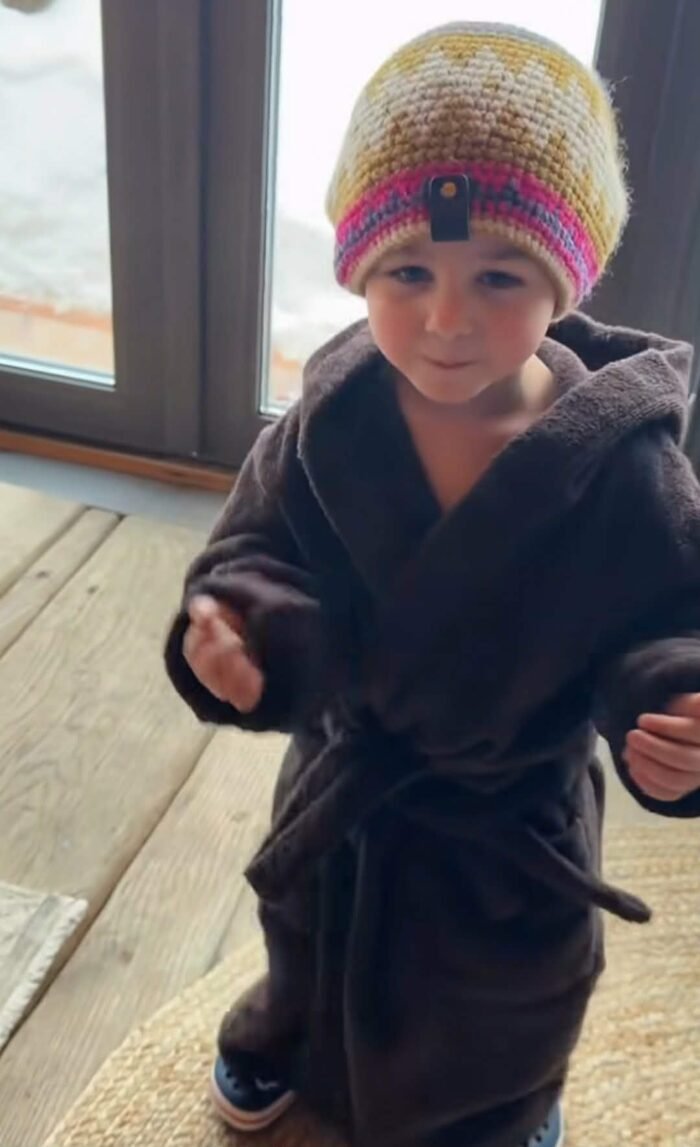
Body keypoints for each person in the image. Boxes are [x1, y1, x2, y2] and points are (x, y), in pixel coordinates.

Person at [165, 23, 700, 1147]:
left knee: (505, 1005)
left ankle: (507, 1106)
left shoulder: (620, 463)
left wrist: (673, 706)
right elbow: (250, 554)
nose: (448, 319)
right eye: (409, 272)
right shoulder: (326, 425)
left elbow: (665, 618)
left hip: (505, 830)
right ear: (359, 269)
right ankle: (287, 1037)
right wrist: (246, 634)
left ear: (565, 277)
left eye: (499, 276)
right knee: (306, 941)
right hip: (344, 791)